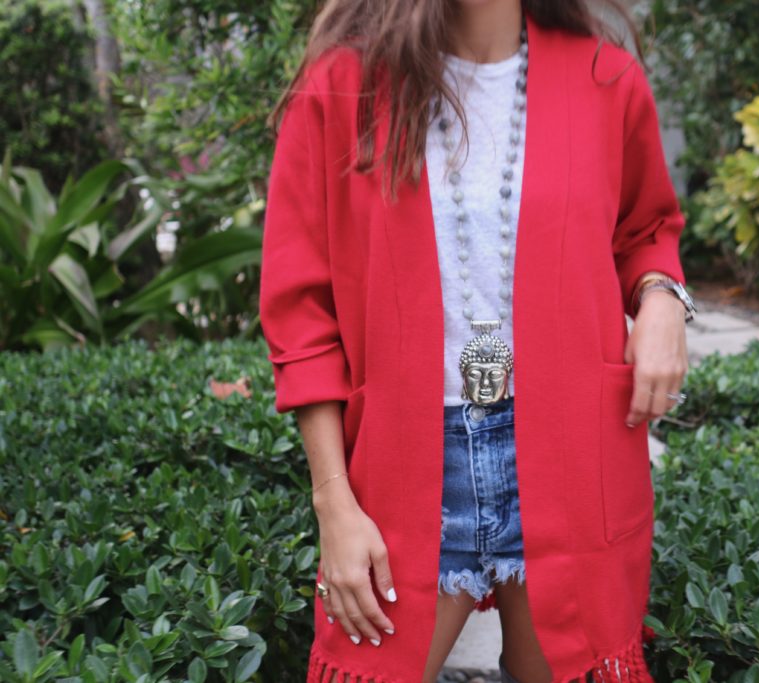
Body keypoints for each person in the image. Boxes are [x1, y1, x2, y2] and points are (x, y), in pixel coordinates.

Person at [259, 1, 695, 681]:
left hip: (574, 463)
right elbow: (301, 313)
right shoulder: (344, 87)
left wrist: (662, 295)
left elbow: (646, 229)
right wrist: (333, 503)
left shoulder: (604, 80)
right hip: (404, 473)